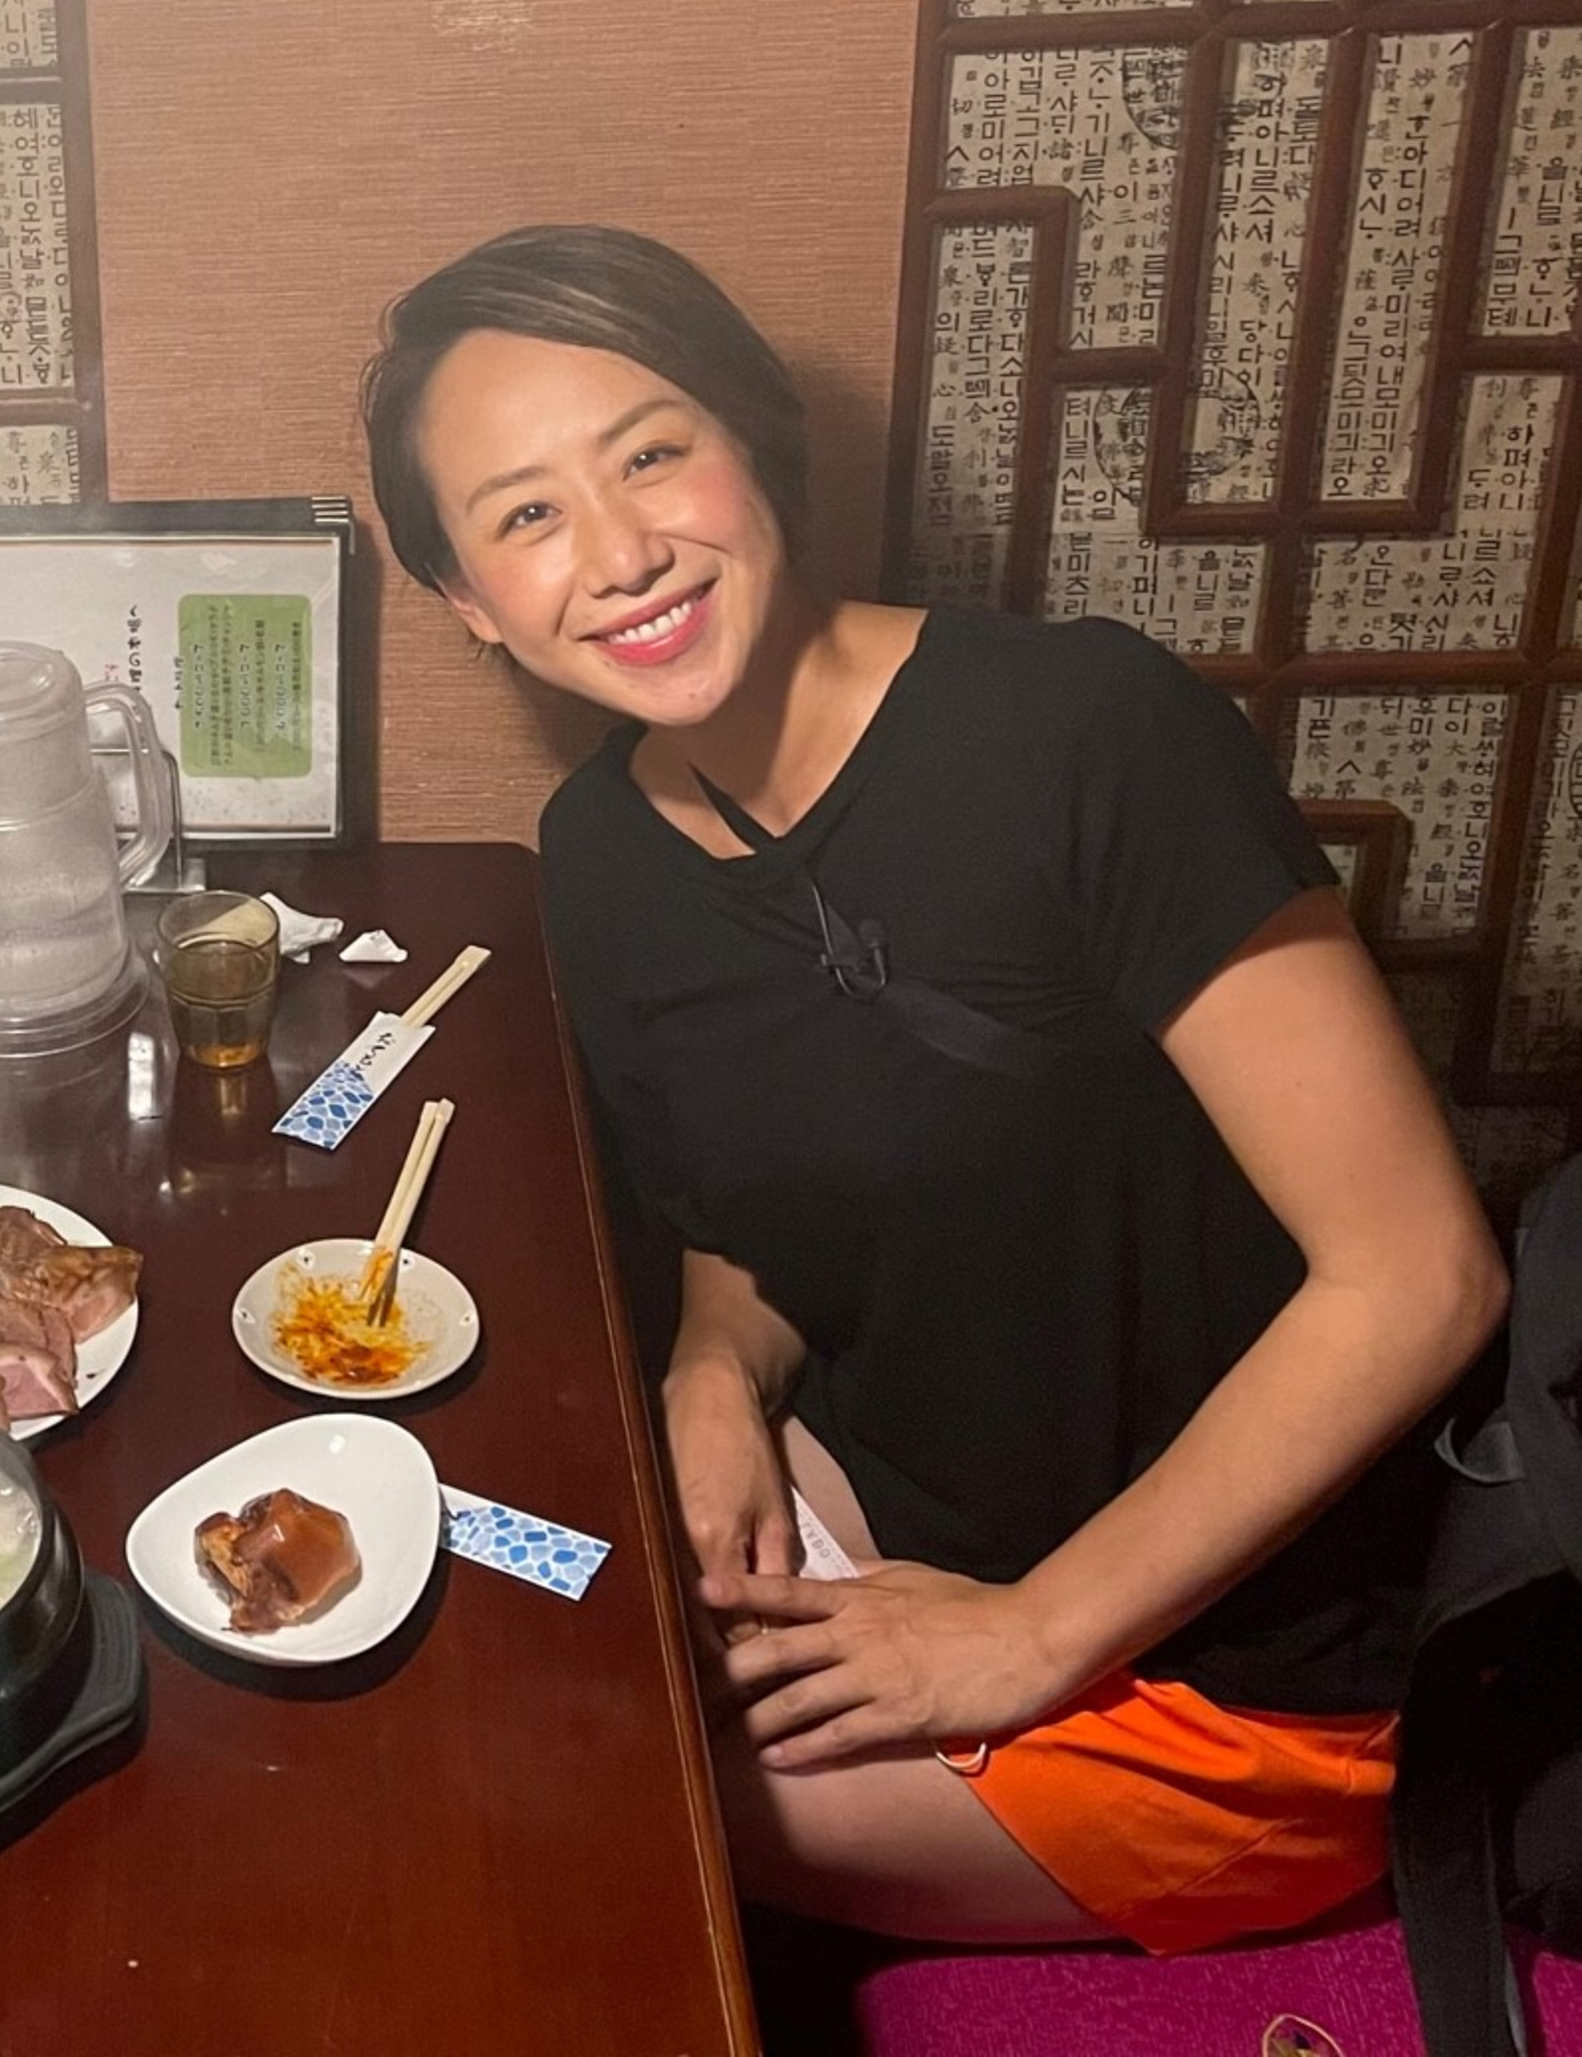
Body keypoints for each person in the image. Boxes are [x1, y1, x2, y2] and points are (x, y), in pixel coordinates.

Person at [361, 223, 1507, 1955]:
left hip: (1247, 1662)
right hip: (907, 1501)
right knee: (484, 1644)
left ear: (755, 439)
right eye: (525, 516)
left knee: (577, 1802)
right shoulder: (597, 853)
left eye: (651, 455)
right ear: (470, 601)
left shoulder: (1087, 733)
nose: (619, 553)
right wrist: (714, 1369)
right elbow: (750, 1214)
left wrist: (1028, 1635)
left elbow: (1418, 1274)